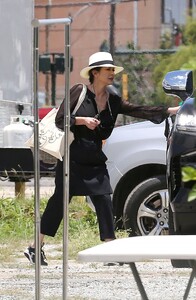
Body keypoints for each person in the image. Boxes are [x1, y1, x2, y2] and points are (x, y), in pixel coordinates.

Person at [24, 52, 179, 265]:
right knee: (59, 203)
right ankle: (35, 245)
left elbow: (137, 110)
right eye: (108, 70)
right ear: (94, 73)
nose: (112, 73)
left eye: (113, 69)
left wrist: (170, 110)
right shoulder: (79, 92)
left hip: (94, 158)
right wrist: (82, 120)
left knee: (104, 200)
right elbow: (61, 119)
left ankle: (109, 249)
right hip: (72, 158)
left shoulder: (113, 100)